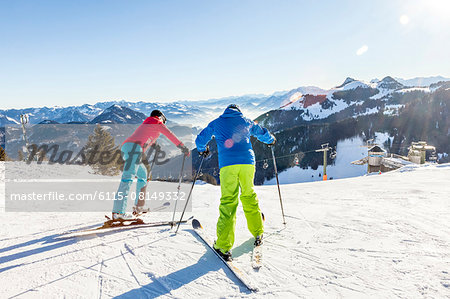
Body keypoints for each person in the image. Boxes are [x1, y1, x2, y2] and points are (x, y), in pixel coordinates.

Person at [195, 104, 275, 261]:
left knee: (229, 202)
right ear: (239, 112)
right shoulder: (246, 121)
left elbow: (200, 139)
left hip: (228, 165)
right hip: (247, 164)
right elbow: (262, 133)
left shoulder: (217, 122)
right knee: (248, 195)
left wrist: (202, 149)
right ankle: (258, 231)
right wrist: (271, 140)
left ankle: (223, 246)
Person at [112, 110, 190, 220]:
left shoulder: (148, 124)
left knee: (143, 175)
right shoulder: (157, 122)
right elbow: (170, 134)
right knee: (127, 179)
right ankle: (118, 212)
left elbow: (145, 136)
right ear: (161, 117)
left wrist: (155, 145)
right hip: (134, 149)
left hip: (128, 148)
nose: (164, 123)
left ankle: (139, 207)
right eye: (164, 121)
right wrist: (182, 146)